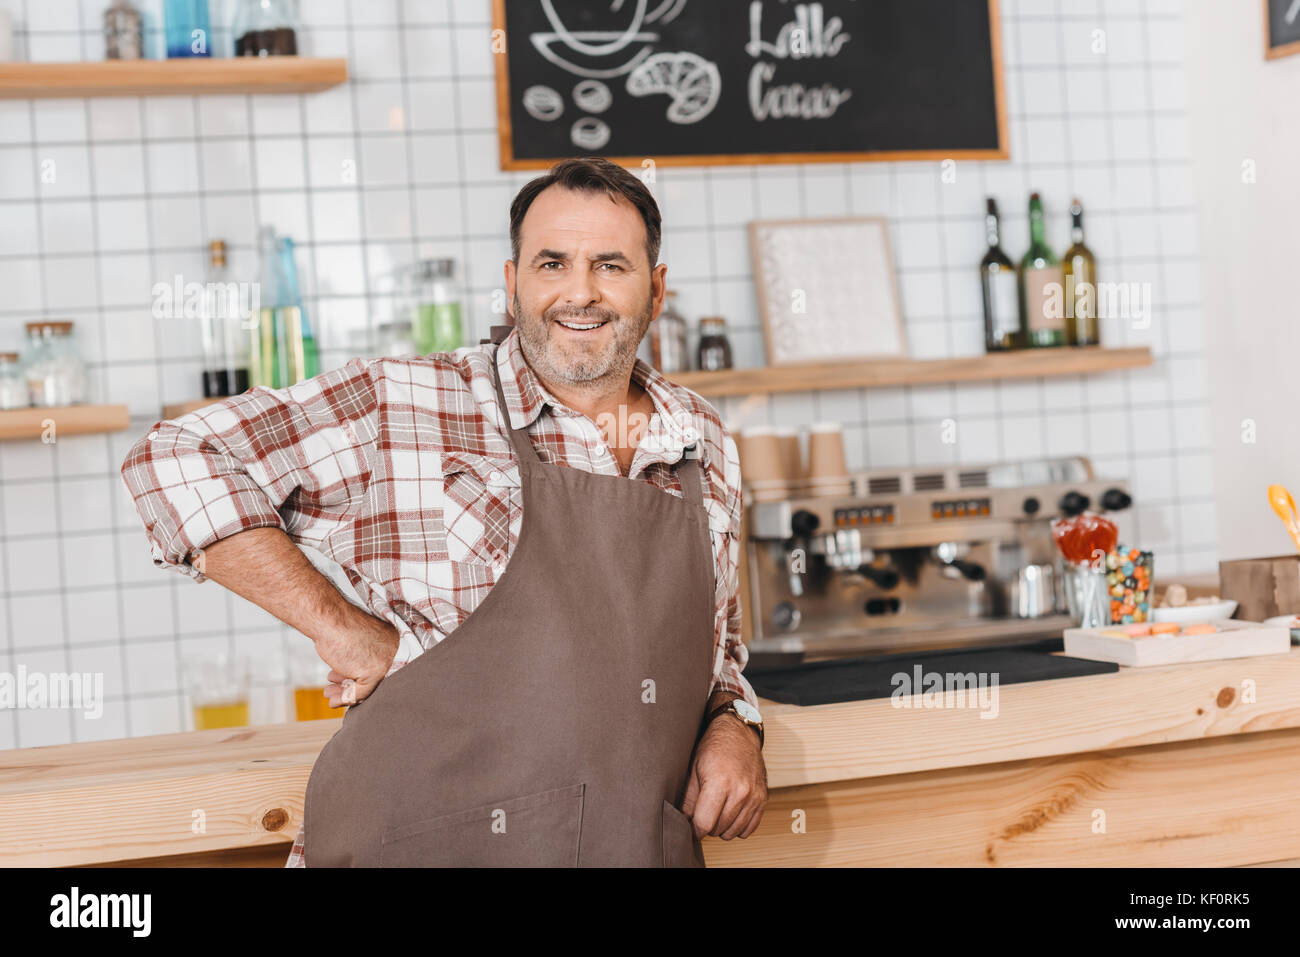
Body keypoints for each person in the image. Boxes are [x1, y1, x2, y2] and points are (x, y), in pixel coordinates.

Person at [121, 157, 766, 867]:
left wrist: (734, 724)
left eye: (611, 265)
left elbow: (719, 648)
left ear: (657, 288)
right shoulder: (410, 402)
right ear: (512, 278)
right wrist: (340, 629)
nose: (580, 292)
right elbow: (174, 457)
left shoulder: (701, 438)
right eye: (552, 262)